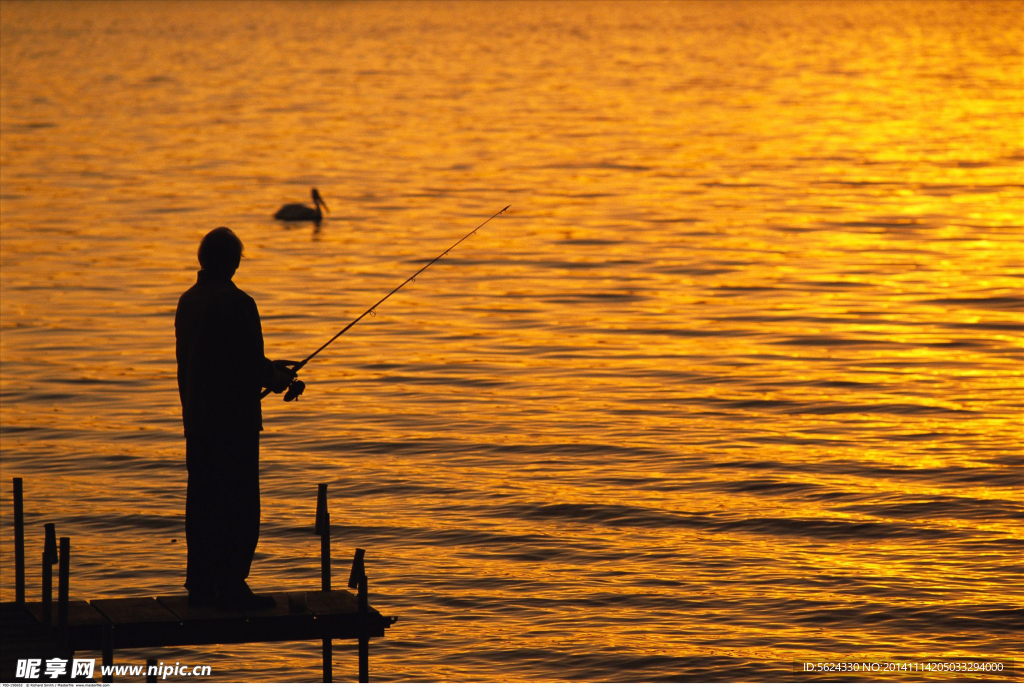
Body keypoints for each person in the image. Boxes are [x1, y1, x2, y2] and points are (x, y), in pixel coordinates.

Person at [175, 227, 295, 610]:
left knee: (203, 501)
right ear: (233, 261)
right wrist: (275, 378)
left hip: (197, 419)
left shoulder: (189, 300)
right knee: (238, 504)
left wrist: (266, 369)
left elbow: (215, 357)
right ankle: (230, 585)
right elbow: (245, 363)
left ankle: (200, 584)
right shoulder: (238, 302)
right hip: (234, 425)